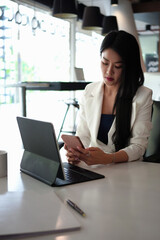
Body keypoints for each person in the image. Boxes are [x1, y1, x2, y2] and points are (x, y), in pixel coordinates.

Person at [64, 30, 153, 165]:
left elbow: (139, 146)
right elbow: (84, 136)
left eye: (117, 66)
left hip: (127, 170)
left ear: (129, 68)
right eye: (105, 63)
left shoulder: (143, 96)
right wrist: (76, 153)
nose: (109, 71)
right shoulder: (90, 90)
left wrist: (108, 158)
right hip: (94, 167)